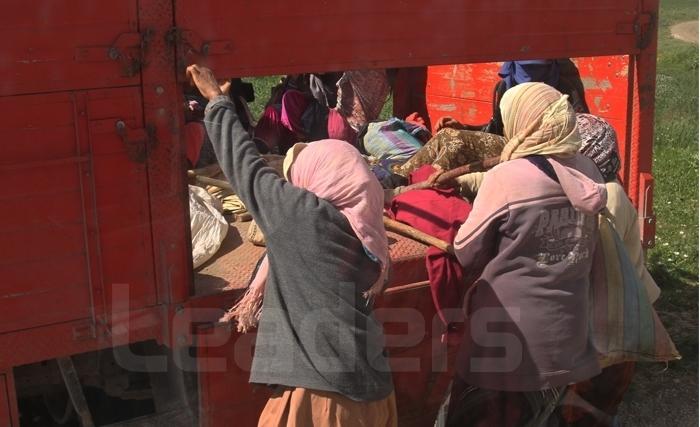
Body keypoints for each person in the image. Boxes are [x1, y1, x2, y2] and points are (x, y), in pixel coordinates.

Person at [187, 64, 397, 427]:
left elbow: (247, 170)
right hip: (375, 396)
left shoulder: (305, 218)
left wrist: (217, 102)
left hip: (321, 401)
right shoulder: (370, 236)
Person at [446, 82, 607, 426]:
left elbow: (466, 252)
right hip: (569, 332)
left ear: (522, 122)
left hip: (509, 339)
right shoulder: (589, 172)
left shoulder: (507, 177)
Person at [560, 113, 662, 426]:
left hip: (614, 318)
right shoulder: (594, 188)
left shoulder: (607, 196)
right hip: (611, 312)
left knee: (592, 405)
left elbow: (586, 261)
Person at [435, 59, 589, 136]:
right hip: (509, 155)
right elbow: (496, 130)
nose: (531, 75)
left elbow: (583, 131)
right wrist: (464, 128)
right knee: (449, 141)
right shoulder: (505, 87)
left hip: (555, 157)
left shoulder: (564, 88)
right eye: (526, 68)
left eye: (538, 67)